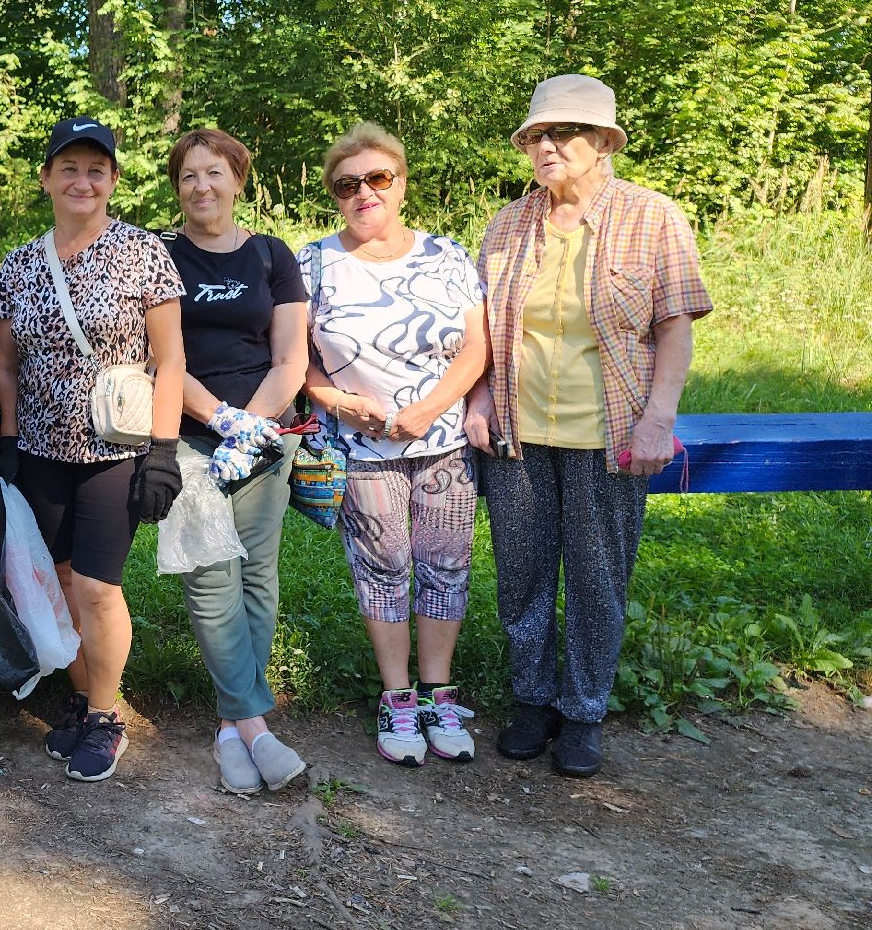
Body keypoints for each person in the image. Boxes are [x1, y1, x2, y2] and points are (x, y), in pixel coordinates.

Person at [468, 75, 711, 778]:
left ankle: (583, 711)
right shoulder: (509, 224)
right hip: (519, 430)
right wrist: (481, 396)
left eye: (563, 133)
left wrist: (658, 420)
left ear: (603, 143)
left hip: (610, 433)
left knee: (598, 577)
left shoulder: (653, 217)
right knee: (522, 575)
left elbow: (674, 327)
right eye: (537, 135)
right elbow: (482, 328)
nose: (546, 146)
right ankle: (534, 700)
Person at [0, 117, 185, 783]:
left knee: (100, 588)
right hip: (40, 453)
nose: (82, 180)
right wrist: (9, 440)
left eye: (96, 169)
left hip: (116, 452)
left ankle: (106, 716)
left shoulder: (143, 253)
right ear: (45, 177)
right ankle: (81, 694)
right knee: (61, 580)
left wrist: (163, 449)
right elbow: (7, 365)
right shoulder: (18, 265)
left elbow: (171, 357)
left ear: (113, 180)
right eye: (68, 167)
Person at [299, 122, 489, 768]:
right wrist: (342, 403)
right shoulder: (314, 264)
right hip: (362, 450)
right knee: (383, 572)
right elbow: (297, 361)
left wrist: (429, 410)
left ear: (401, 183)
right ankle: (397, 698)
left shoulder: (448, 257)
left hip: (442, 445)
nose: (364, 193)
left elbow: (477, 348)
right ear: (334, 195)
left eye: (378, 178)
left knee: (446, 566)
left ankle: (438, 692)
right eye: (347, 184)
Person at [157, 129, 311, 793]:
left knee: (256, 573)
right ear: (177, 186)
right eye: (189, 176)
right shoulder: (160, 256)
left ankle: (229, 726)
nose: (202, 187)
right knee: (211, 573)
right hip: (190, 435)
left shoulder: (273, 256)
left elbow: (291, 358)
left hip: (267, 436)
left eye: (215, 173)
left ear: (238, 180)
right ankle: (253, 726)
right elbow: (163, 358)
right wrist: (218, 420)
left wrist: (252, 426)